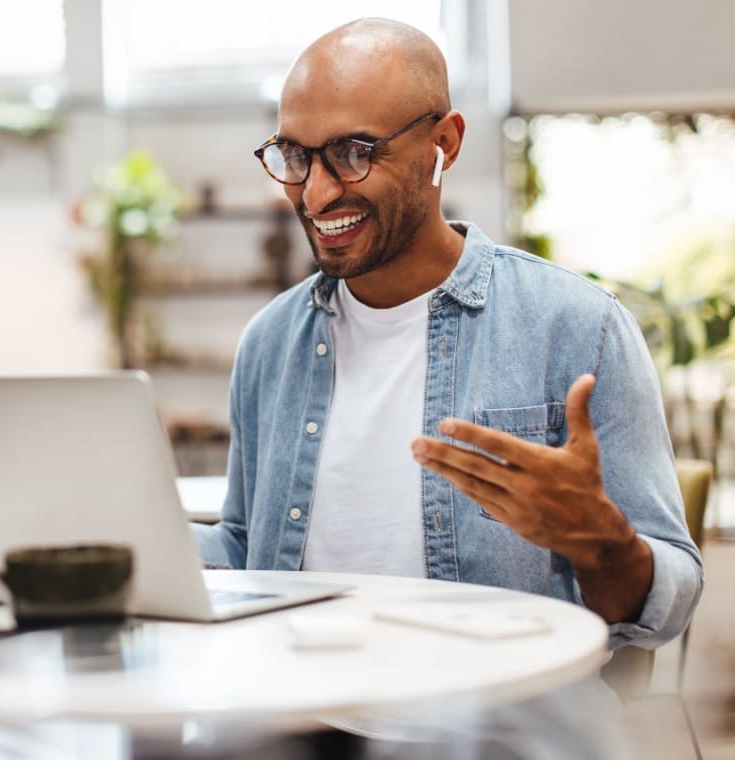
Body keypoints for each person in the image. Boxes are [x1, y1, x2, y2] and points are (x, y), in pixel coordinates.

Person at [191, 18, 702, 649]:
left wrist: (602, 545)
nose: (316, 194)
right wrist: (130, 533)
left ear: (444, 142)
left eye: (354, 153)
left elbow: (671, 603)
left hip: (493, 727)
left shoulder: (575, 327)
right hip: (301, 715)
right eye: (295, 156)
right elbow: (246, 545)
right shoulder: (271, 341)